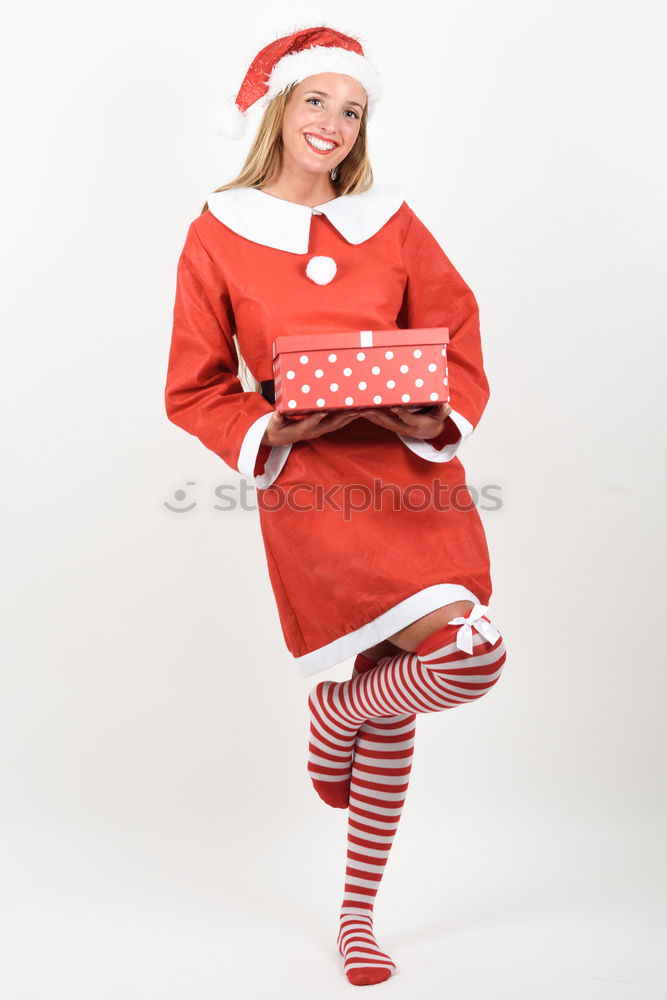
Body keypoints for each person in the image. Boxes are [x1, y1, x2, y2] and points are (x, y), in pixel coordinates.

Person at [164, 24, 507, 988]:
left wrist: (427, 409)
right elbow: (193, 387)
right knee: (428, 686)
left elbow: (461, 334)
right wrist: (270, 431)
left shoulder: (392, 222)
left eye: (351, 109)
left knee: (466, 655)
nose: (333, 123)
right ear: (278, 106)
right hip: (316, 491)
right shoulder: (216, 231)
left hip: (414, 475)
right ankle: (356, 876)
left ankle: (337, 724)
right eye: (316, 100)